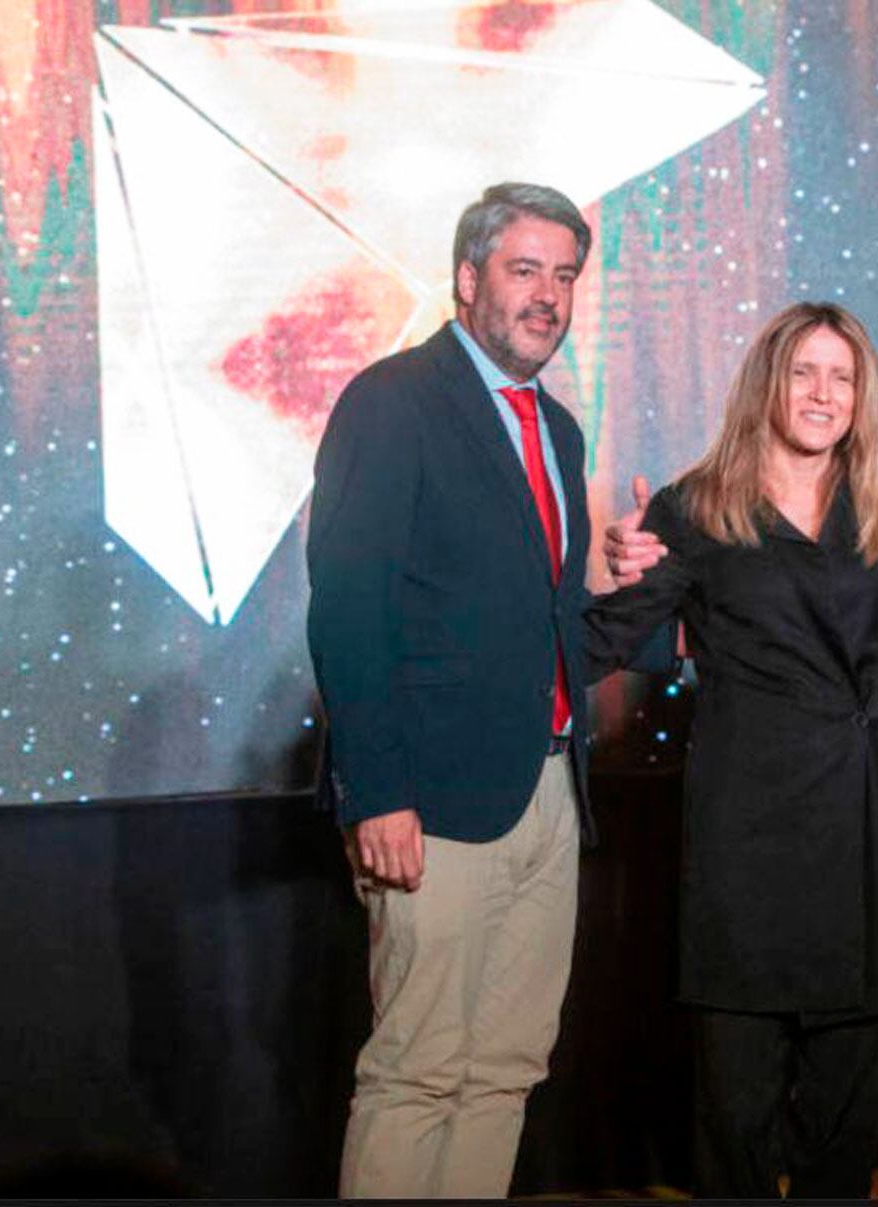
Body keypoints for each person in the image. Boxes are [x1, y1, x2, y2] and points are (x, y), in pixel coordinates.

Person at [585, 302, 878, 1198]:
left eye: (843, 377)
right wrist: (605, 563)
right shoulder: (693, 508)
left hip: (862, 834)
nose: (823, 394)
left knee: (843, 1129)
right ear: (765, 384)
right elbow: (604, 638)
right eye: (803, 373)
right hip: (747, 839)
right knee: (734, 1122)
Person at [308, 182, 594, 1198]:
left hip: (548, 794)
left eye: (564, 275)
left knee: (506, 1070)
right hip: (428, 802)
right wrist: (374, 790)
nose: (549, 296)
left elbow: (541, 618)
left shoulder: (556, 432)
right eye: (526, 270)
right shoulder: (392, 401)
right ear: (468, 279)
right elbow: (346, 606)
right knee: (418, 1070)